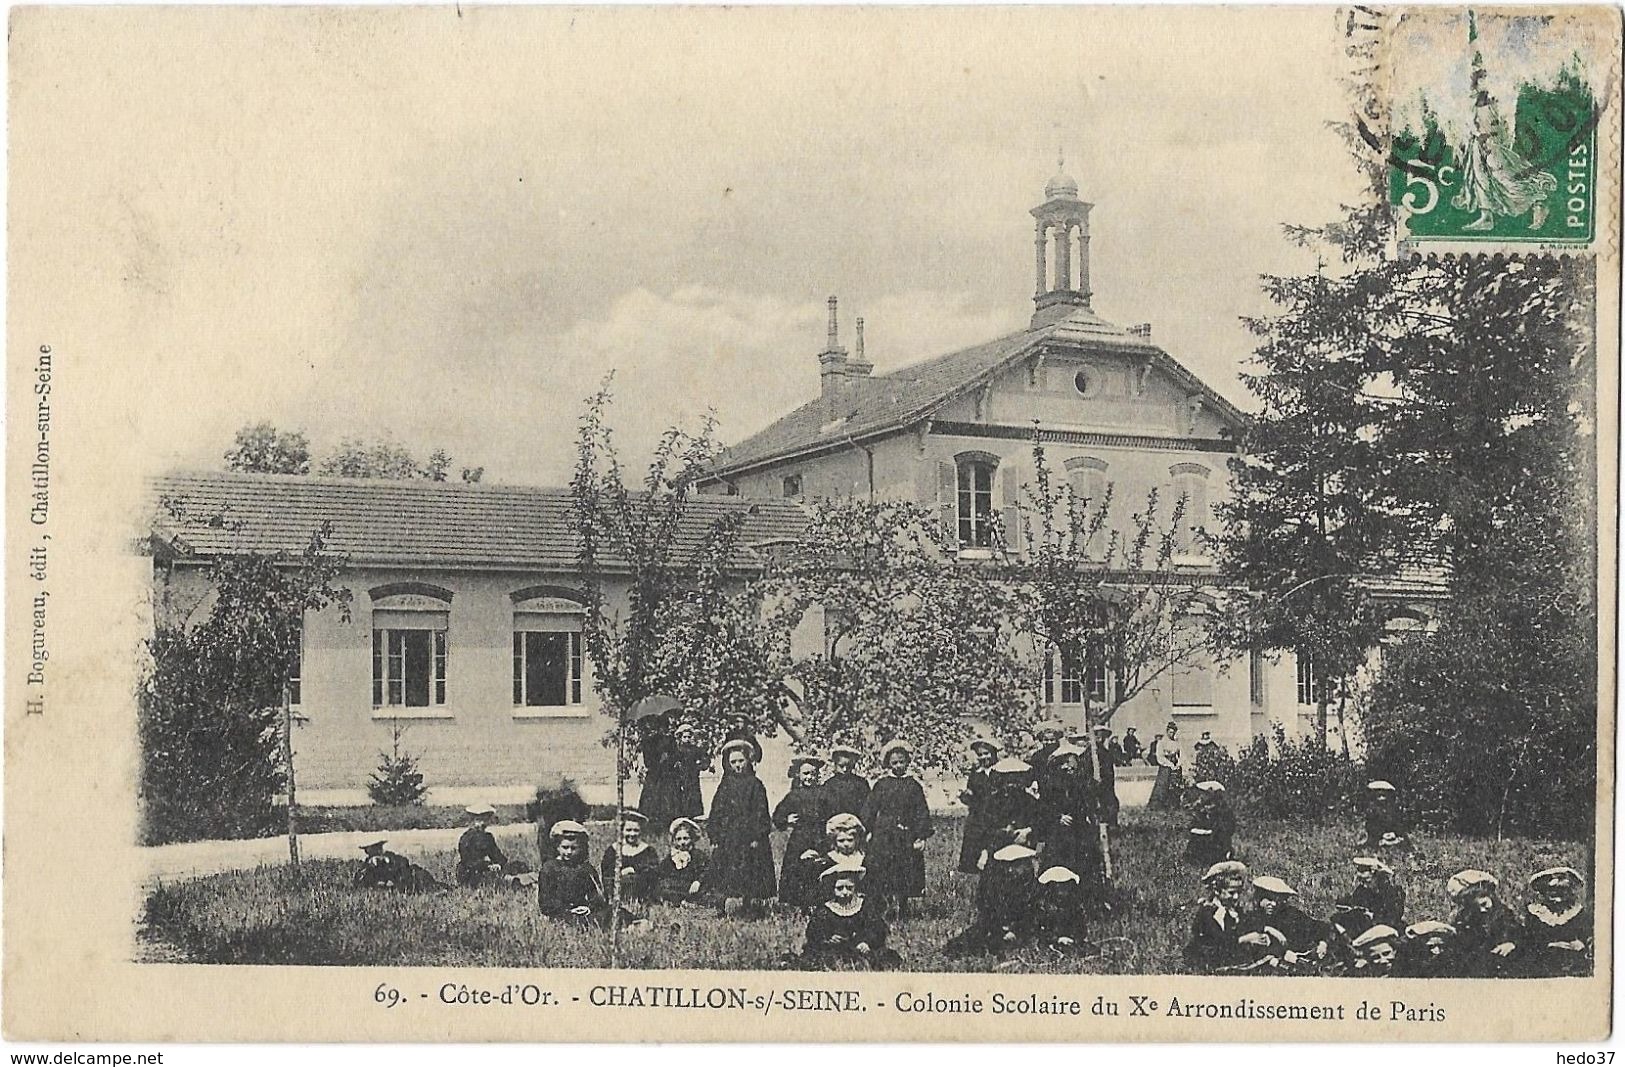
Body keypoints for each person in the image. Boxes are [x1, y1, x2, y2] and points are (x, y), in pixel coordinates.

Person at [705, 738, 777, 917]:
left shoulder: (755, 785)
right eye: (733, 762)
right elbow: (716, 811)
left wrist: (757, 836)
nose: (737, 765)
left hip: (749, 838)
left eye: (740, 761)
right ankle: (724, 907)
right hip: (729, 837)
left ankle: (750, 907)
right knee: (726, 871)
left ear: (748, 761)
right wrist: (715, 834)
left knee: (751, 872)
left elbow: (761, 813)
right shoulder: (725, 786)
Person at [861, 739, 933, 921]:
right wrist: (867, 830)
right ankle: (886, 906)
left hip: (905, 834)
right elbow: (871, 807)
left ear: (908, 762)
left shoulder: (913, 785)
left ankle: (903, 906)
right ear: (888, 764)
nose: (899, 765)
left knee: (905, 870)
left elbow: (921, 811)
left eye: (902, 761)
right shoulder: (881, 784)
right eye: (894, 762)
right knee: (884, 870)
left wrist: (921, 837)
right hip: (884, 835)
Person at [796, 863, 900, 969]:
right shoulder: (825, 909)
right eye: (840, 888)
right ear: (832, 889)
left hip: (860, 947)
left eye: (849, 888)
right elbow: (814, 932)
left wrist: (867, 942)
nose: (845, 892)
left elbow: (876, 928)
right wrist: (828, 938)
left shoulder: (864, 905)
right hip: (833, 949)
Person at [944, 843, 1040, 956]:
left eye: (1027, 864)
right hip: (997, 924)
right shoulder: (995, 882)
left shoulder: (1030, 883)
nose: (1028, 867)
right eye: (1023, 864)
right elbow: (986, 908)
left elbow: (1032, 910)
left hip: (1021, 925)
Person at [1038, 744, 1101, 887]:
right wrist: (1058, 817)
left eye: (1071, 762)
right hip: (1058, 830)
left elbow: (1089, 805)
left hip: (1079, 828)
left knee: (1083, 858)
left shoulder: (1083, 782)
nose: (1067, 767)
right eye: (1063, 763)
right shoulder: (1051, 784)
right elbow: (1044, 806)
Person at [774, 755, 833, 908]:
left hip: (820, 836)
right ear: (799, 775)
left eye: (813, 773)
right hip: (800, 837)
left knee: (819, 866)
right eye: (806, 773)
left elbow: (831, 813)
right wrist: (787, 820)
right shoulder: (794, 795)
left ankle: (820, 903)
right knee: (798, 868)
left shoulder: (824, 793)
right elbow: (777, 816)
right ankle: (801, 906)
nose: (809, 777)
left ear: (818, 775)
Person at [636, 711, 708, 835]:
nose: (662, 729)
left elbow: (677, 756)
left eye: (664, 726)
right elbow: (649, 761)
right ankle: (650, 827)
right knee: (652, 800)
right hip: (655, 775)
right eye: (658, 726)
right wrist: (662, 759)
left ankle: (669, 825)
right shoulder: (648, 741)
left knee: (670, 801)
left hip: (669, 776)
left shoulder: (670, 740)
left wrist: (670, 760)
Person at [1238, 875, 1328, 971]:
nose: (1273, 904)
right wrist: (1269, 930)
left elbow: (1319, 927)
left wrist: (1323, 943)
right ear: (1259, 898)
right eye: (1269, 899)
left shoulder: (1291, 914)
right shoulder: (1251, 917)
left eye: (1277, 900)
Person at [1447, 868, 1522, 977]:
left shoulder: (1505, 915)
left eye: (1484, 904)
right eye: (1475, 907)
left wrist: (1512, 944)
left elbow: (1521, 935)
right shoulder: (1464, 920)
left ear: (1491, 896)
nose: (1482, 910)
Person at [1519, 866, 1591, 977]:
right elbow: (1529, 942)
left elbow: (1586, 936)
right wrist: (1551, 945)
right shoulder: (1535, 915)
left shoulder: (1577, 913)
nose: (1558, 899)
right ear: (1543, 893)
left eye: (1562, 892)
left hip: (1572, 964)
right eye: (1553, 893)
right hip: (1542, 964)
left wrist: (1581, 944)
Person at [1183, 860, 1251, 972]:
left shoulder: (1236, 911)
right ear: (1217, 891)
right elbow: (1218, 943)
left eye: (1239, 892)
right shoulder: (1208, 914)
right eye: (1231, 892)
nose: (1236, 897)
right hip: (1210, 961)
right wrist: (1243, 939)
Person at [537, 821, 610, 926]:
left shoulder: (586, 868)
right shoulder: (549, 868)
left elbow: (595, 895)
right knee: (569, 922)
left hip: (584, 911)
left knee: (609, 913)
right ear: (557, 847)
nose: (569, 852)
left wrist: (588, 907)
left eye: (574, 848)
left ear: (580, 848)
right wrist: (568, 910)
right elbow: (545, 901)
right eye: (565, 847)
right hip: (561, 913)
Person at [601, 809, 663, 908]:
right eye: (628, 830)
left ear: (641, 831)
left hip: (642, 896)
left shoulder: (648, 851)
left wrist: (635, 870)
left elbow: (654, 872)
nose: (632, 834)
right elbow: (606, 873)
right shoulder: (613, 850)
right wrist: (619, 873)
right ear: (622, 830)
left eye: (636, 830)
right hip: (619, 894)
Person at [956, 738, 1001, 875]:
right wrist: (966, 796)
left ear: (993, 753)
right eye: (980, 754)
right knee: (974, 847)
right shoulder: (976, 774)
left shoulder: (1001, 771)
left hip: (997, 815)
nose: (983, 757)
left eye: (986, 753)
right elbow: (972, 794)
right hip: (978, 817)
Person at [1032, 866, 1095, 953]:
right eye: (1057, 887)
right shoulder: (1043, 907)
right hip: (1050, 943)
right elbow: (1039, 929)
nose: (1062, 891)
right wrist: (1056, 939)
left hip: (1072, 942)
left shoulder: (1074, 906)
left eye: (1065, 887)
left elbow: (1081, 927)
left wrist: (1073, 939)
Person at [1337, 856, 1406, 929]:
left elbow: (1394, 917)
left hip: (1387, 929)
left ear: (1373, 871)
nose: (1358, 874)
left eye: (1362, 871)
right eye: (1358, 870)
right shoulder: (1361, 891)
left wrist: (1373, 916)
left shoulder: (1392, 891)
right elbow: (1356, 906)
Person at [653, 817, 708, 905]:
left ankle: (686, 901)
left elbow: (705, 871)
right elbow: (661, 871)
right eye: (679, 839)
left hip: (691, 887)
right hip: (675, 886)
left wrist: (698, 881)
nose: (682, 842)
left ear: (692, 839)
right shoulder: (672, 856)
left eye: (686, 838)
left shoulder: (699, 855)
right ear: (674, 840)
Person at [353, 839, 441, 892]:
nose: (367, 852)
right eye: (367, 850)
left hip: (405, 884)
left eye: (369, 849)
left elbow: (404, 867)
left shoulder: (392, 857)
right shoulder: (367, 864)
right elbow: (360, 882)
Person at [456, 804, 511, 887]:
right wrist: (487, 866)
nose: (481, 823)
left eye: (484, 819)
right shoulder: (466, 838)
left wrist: (500, 864)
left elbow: (496, 855)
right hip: (469, 873)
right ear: (472, 820)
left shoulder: (488, 837)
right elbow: (467, 861)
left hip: (484, 870)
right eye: (478, 820)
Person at [1184, 781, 1236, 867]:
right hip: (1202, 840)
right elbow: (1193, 824)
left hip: (1217, 842)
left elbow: (1229, 828)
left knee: (1217, 850)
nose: (1202, 797)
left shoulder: (1223, 810)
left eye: (1205, 794)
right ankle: (1195, 858)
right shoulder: (1200, 809)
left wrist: (1215, 831)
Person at [822, 744, 871, 821]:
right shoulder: (829, 784)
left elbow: (867, 807)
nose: (845, 769)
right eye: (841, 766)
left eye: (848, 766)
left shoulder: (861, 783)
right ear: (835, 765)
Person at [1359, 780, 1409, 850]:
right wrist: (1381, 835)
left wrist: (1394, 833)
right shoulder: (1371, 812)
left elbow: (1399, 826)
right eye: (1379, 796)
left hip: (1392, 838)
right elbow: (1371, 827)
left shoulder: (1394, 811)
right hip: (1377, 839)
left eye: (1384, 795)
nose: (1381, 799)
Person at [1148, 721, 1186, 810]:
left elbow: (1181, 754)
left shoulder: (1177, 742)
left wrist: (1178, 763)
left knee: (1176, 785)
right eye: (1170, 732)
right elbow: (1160, 756)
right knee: (1163, 785)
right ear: (1167, 732)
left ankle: (1174, 805)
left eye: (1173, 732)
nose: (1171, 734)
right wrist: (1169, 764)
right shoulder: (1162, 742)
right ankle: (1159, 806)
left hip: (1176, 766)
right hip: (1166, 767)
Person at [1091, 725, 1121, 827]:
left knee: (1110, 807)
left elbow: (1109, 772)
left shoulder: (1106, 753)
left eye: (1102, 735)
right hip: (1093, 787)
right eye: (1096, 734)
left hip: (1106, 786)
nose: (1099, 737)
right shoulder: (1089, 754)